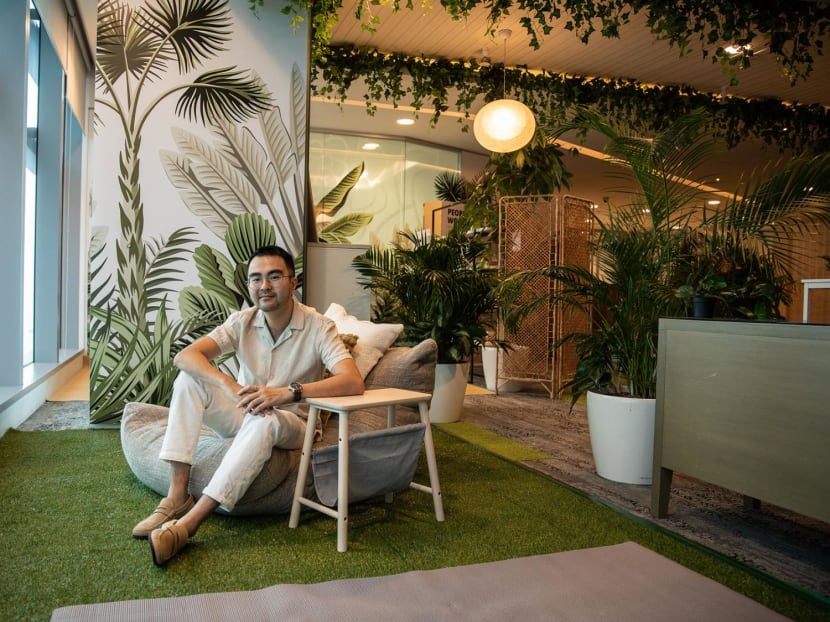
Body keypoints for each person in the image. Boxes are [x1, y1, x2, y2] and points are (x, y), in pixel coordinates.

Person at [132, 245, 364, 565]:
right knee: (187, 379)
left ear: (293, 282)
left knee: (267, 419)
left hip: (295, 422)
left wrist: (288, 392)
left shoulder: (318, 326)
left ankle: (189, 524)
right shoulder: (242, 321)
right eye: (255, 278)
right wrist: (233, 386)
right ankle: (177, 496)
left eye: (273, 276)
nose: (263, 286)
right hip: (247, 410)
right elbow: (185, 356)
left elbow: (352, 381)